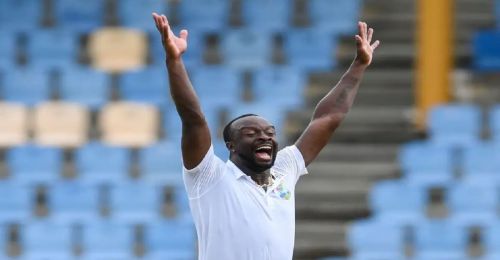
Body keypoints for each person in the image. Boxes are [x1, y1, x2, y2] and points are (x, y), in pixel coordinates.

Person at [152, 13, 379, 260]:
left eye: (270, 133)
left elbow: (327, 119)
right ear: (231, 146)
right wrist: (174, 61)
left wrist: (358, 65)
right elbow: (193, 118)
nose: (265, 137)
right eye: (251, 133)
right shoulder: (209, 177)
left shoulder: (283, 171)